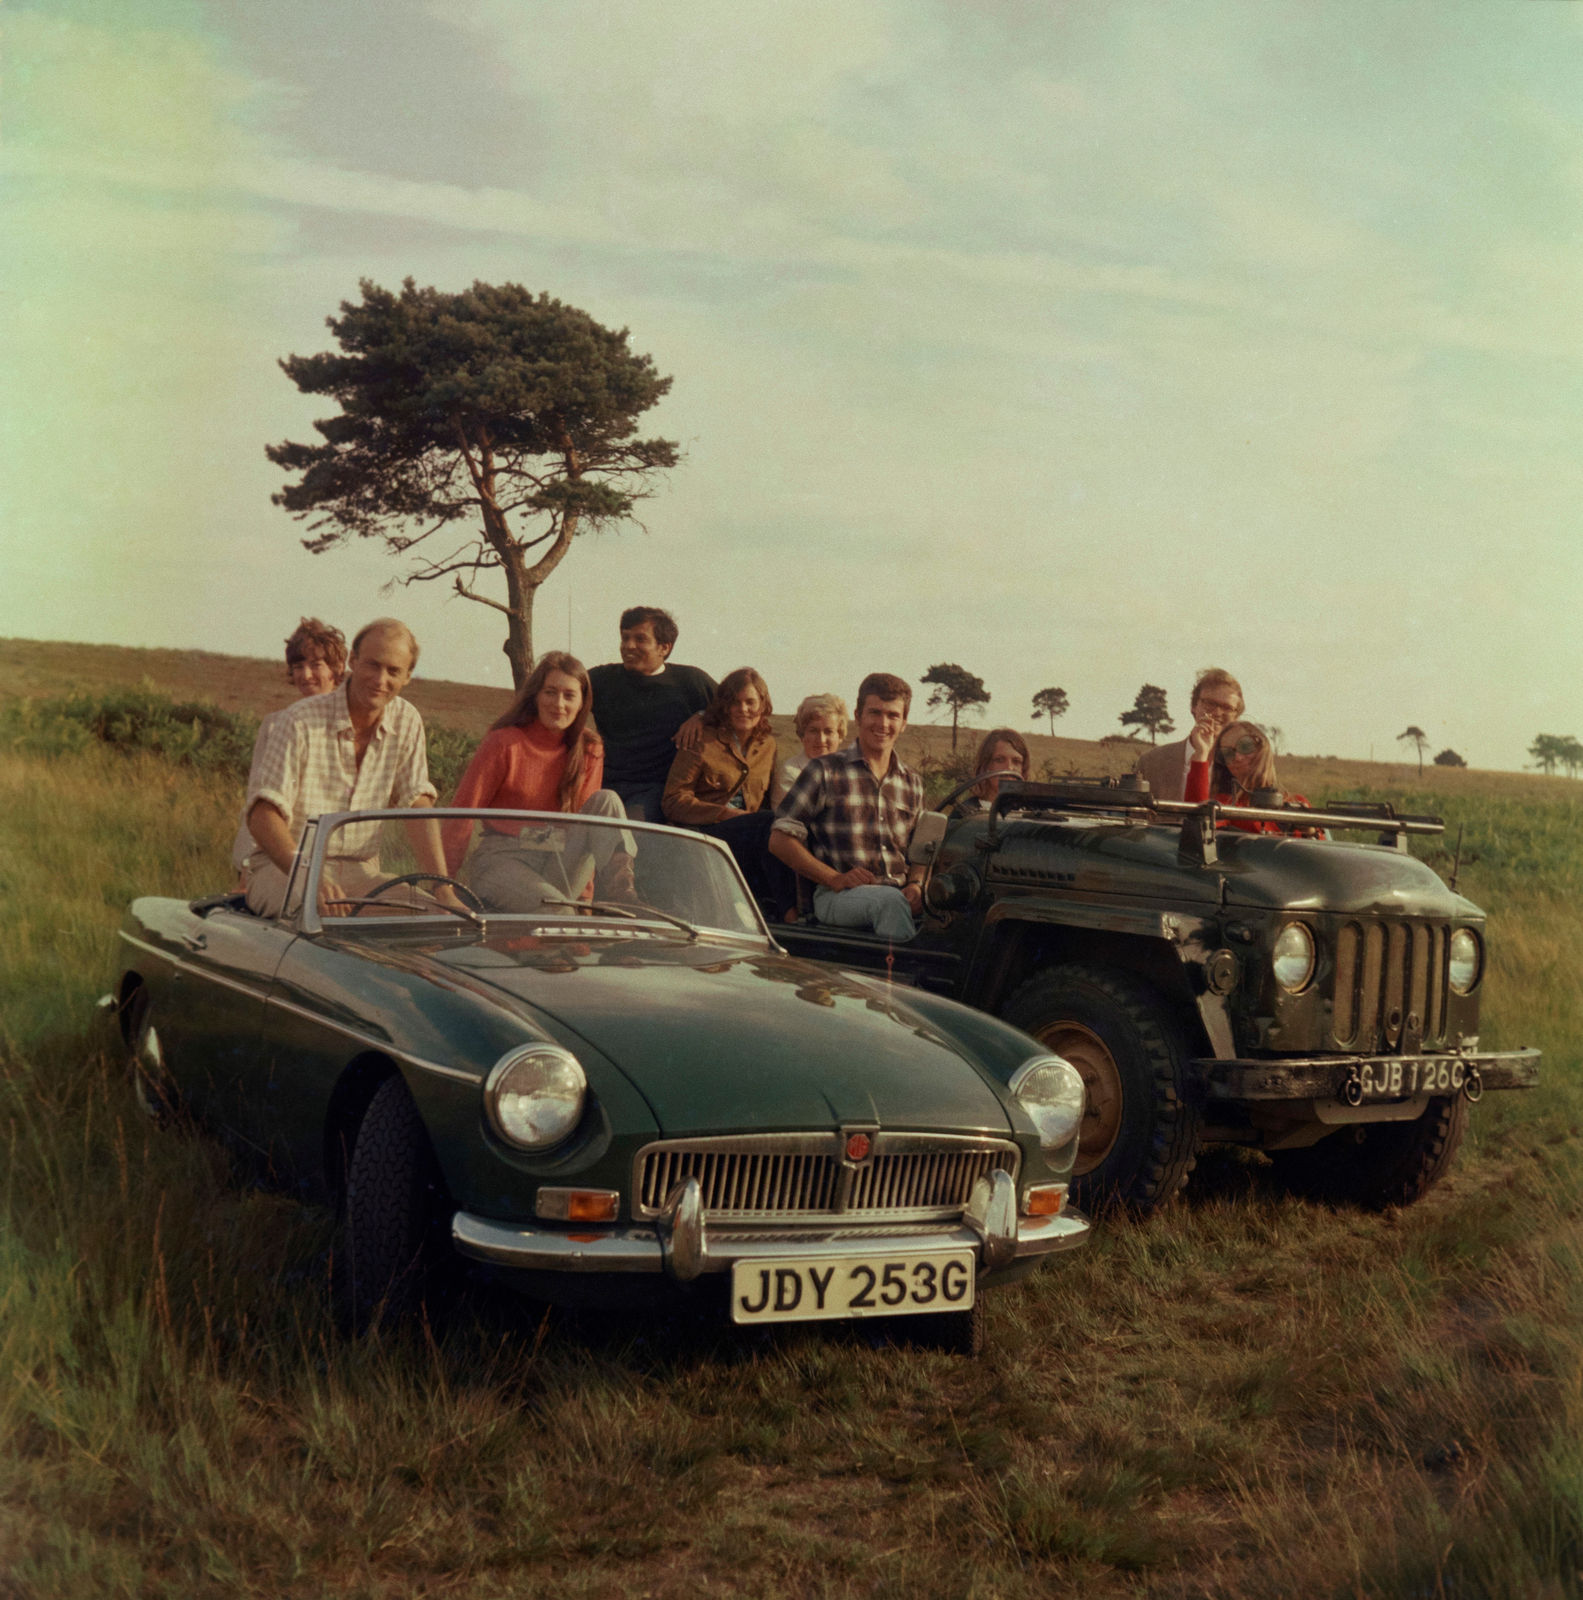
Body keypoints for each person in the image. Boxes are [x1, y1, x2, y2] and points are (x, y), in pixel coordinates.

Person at [241, 618, 450, 917]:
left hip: (362, 872)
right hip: (286, 868)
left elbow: (417, 804)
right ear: (353, 660)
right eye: (372, 665)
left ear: (408, 677)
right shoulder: (299, 720)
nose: (380, 680)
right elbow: (263, 815)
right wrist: (309, 876)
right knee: (322, 915)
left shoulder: (407, 720)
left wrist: (443, 889)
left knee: (438, 918)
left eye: (393, 671)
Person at [442, 651, 635, 907]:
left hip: (559, 859)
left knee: (607, 800)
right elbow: (461, 815)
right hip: (503, 858)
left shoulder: (589, 748)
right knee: (557, 912)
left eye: (569, 695)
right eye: (550, 692)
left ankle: (623, 892)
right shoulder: (504, 742)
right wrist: (442, 886)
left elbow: (588, 831)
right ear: (536, 696)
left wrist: (585, 899)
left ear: (582, 703)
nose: (559, 704)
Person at [769, 672, 926, 942]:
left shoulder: (912, 783)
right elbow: (779, 840)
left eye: (893, 715)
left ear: (904, 723)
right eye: (875, 713)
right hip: (837, 896)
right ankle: (901, 968)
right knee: (889, 902)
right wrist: (834, 878)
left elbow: (922, 851)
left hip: (897, 895)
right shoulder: (824, 770)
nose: (883, 723)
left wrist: (917, 884)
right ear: (858, 716)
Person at [232, 618, 347, 885]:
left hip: (343, 863)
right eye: (298, 667)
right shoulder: (277, 725)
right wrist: (247, 865)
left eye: (316, 665)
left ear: (337, 668)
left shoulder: (353, 726)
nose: (305, 675)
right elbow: (258, 799)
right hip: (283, 862)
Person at [662, 667, 787, 906]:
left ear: (763, 705)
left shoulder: (768, 745)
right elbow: (672, 801)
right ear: (725, 706)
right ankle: (788, 913)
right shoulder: (702, 739)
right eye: (735, 702)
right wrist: (724, 814)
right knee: (770, 822)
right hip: (705, 833)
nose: (743, 709)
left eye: (750, 702)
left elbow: (766, 800)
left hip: (749, 836)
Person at [586, 606, 717, 822]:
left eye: (640, 639)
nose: (628, 646)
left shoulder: (690, 681)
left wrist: (703, 715)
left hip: (655, 790)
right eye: (625, 638)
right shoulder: (601, 679)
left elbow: (735, 707)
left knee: (629, 829)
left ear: (664, 647)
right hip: (603, 784)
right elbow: (562, 694)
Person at [1185, 719, 1317, 835]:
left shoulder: (1295, 803)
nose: (1238, 757)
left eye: (1245, 746)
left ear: (1262, 748)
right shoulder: (1224, 805)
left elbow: (1317, 850)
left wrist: (1310, 831)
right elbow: (1198, 824)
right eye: (1227, 753)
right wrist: (1201, 753)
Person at [1136, 667, 1244, 802]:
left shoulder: (1243, 767)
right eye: (1210, 703)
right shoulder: (1151, 761)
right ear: (1194, 706)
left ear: (1236, 717)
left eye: (1227, 707)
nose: (1217, 712)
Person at [771, 693, 849, 806]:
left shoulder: (851, 771)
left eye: (828, 731)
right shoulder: (790, 773)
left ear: (840, 736)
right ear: (802, 735)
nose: (821, 739)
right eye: (813, 731)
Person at [955, 727, 1031, 815]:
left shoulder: (1031, 812)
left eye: (1016, 761)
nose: (1009, 768)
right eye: (999, 760)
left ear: (1023, 768)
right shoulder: (965, 813)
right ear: (985, 766)